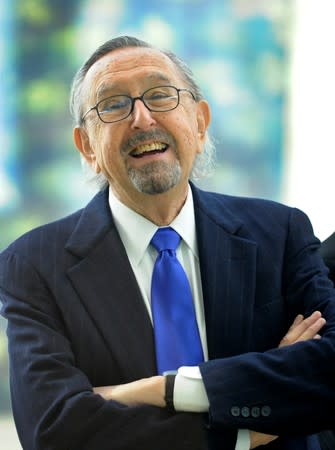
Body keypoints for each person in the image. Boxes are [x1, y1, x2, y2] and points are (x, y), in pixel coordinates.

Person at [0, 35, 335, 450]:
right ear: (86, 146)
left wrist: (165, 389)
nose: (141, 119)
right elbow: (54, 431)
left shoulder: (280, 233)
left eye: (160, 96)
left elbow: (329, 371)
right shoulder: (33, 265)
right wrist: (246, 430)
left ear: (199, 122)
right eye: (113, 104)